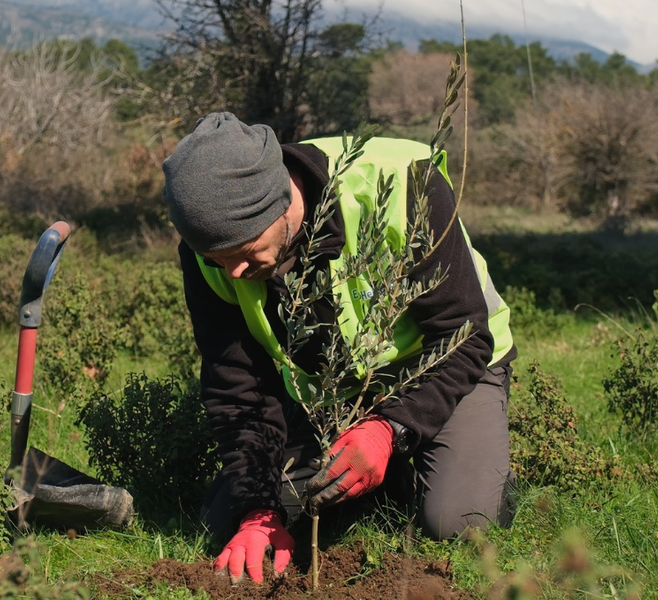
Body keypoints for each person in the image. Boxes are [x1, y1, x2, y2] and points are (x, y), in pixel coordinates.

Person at [161, 112, 517, 584]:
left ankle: (468, 469)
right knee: (228, 517)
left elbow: (462, 335)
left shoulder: (405, 183)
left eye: (245, 253)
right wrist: (257, 513)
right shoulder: (210, 251)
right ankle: (384, 477)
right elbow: (239, 387)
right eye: (216, 260)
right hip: (333, 390)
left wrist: (390, 430)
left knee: (458, 522)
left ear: (281, 201)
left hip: (447, 364)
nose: (232, 274)